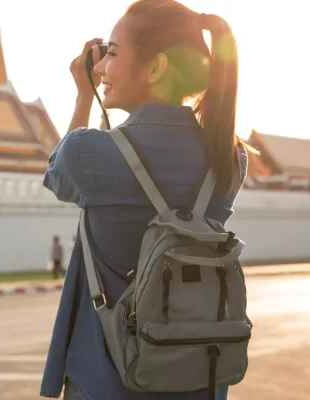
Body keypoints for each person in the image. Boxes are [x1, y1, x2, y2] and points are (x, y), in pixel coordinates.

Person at [40, 1, 250, 399]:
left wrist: (83, 95)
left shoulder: (89, 153)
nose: (101, 68)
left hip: (107, 381)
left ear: (155, 68)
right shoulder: (230, 158)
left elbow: (55, 172)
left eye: (113, 54)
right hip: (198, 380)